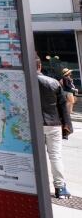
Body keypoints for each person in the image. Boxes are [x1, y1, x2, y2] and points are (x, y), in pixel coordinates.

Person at [38, 57, 72, 198]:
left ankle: (37, 187)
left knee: (35, 157)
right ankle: (60, 188)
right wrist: (67, 127)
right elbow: (63, 107)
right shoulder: (53, 83)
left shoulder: (21, 82)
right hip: (53, 124)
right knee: (55, 156)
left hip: (34, 126)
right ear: (40, 66)